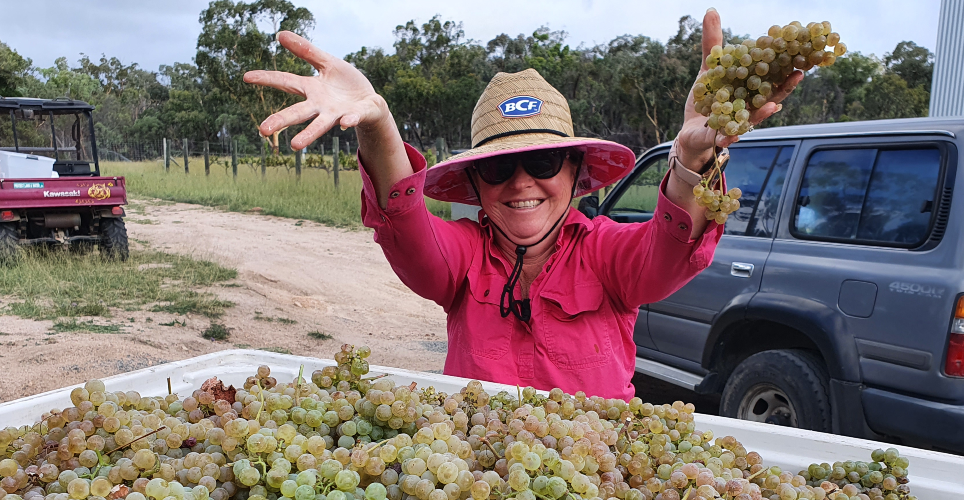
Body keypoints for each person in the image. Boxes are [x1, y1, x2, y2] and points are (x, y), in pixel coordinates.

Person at [244, 9, 801, 399]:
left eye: (541, 164)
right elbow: (407, 223)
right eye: (496, 167)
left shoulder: (607, 255)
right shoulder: (461, 259)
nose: (519, 183)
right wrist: (379, 124)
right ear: (476, 187)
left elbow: (669, 250)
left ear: (578, 174)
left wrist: (688, 160)